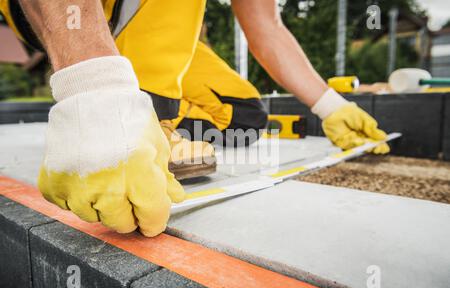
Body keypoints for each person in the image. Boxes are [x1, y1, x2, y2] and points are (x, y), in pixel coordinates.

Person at [0, 0, 389, 237]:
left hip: (142, 24)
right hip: (65, 10)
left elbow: (267, 26)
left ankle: (149, 110)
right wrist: (92, 94)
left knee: (244, 113)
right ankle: (151, 118)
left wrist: (330, 106)